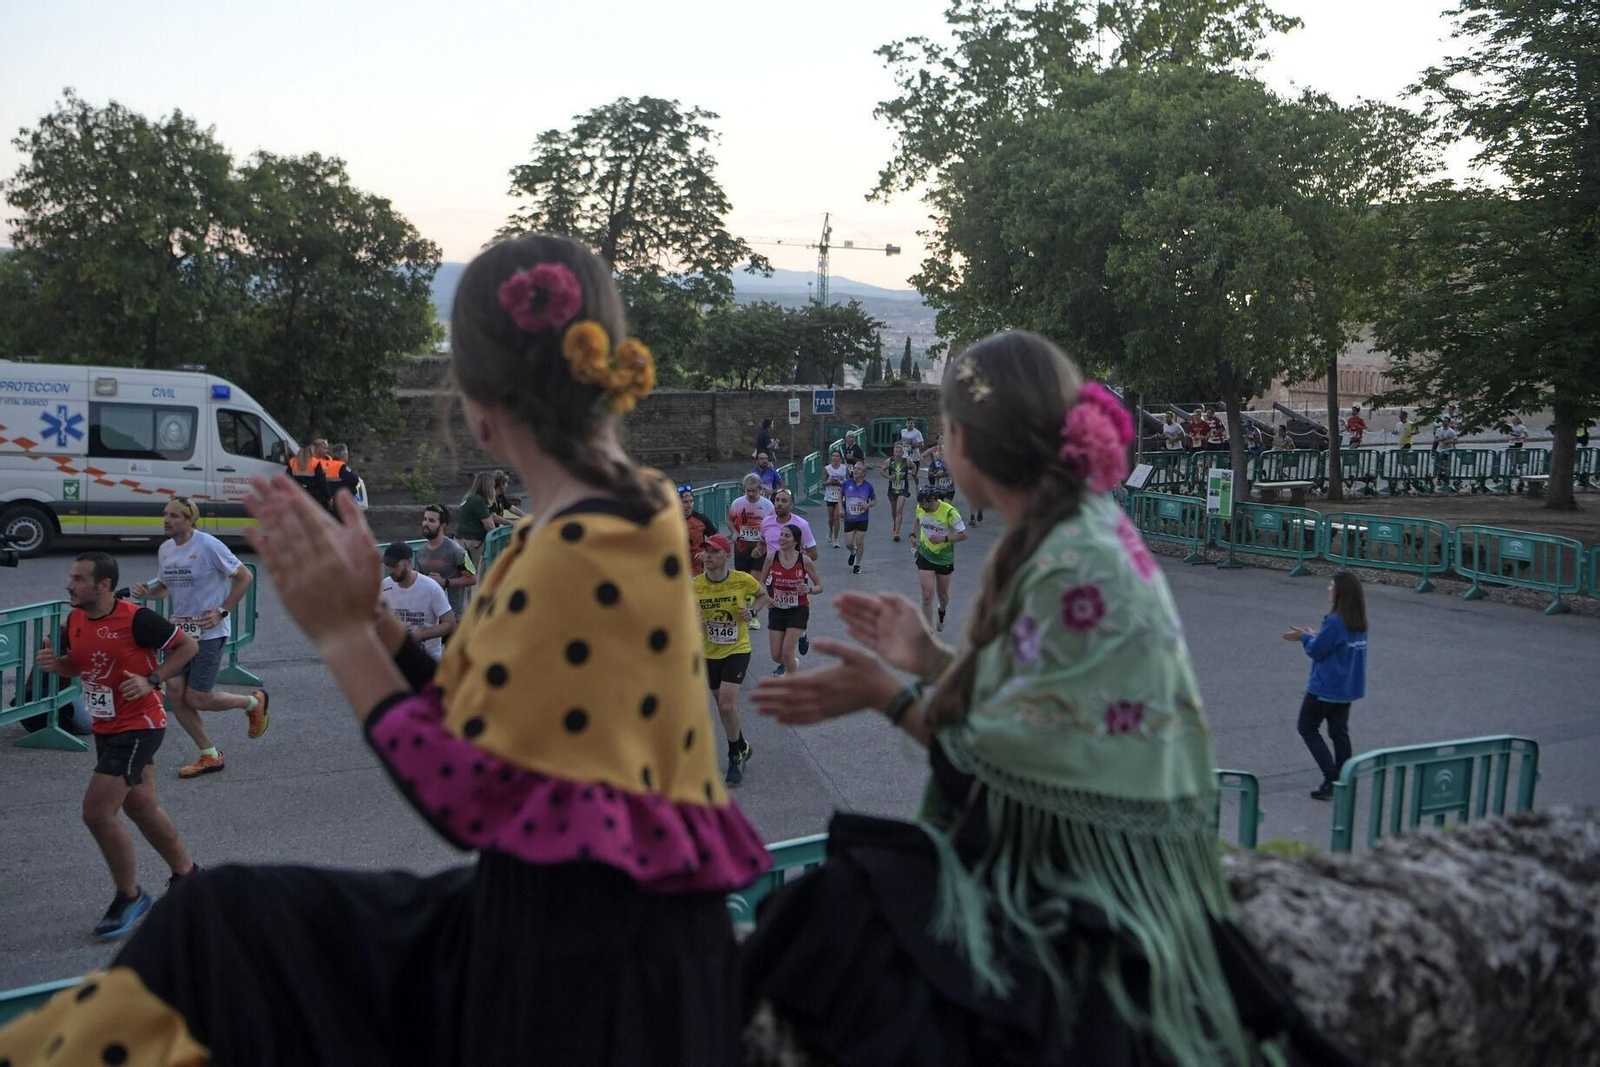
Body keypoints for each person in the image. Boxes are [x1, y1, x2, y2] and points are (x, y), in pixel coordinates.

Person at [0, 233, 772, 1066]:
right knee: (215, 920)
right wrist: (375, 616)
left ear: (476, 400)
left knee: (214, 946)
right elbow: (476, 711)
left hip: (580, 983)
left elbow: (469, 791)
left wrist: (336, 632)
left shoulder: (573, 548)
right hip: (610, 935)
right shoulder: (634, 509)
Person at [744, 331, 1349, 1067]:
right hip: (1120, 871)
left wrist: (890, 694)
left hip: (1094, 897)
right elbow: (1038, 699)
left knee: (819, 929)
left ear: (962, 440)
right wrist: (932, 659)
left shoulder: (1069, 558)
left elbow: (1012, 776)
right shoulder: (1077, 529)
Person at [37, 552, 201, 940]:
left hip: (140, 725)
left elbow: (187, 646)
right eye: (71, 577)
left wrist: (153, 680)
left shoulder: (136, 618)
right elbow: (82, 664)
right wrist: (57, 665)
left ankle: (129, 896)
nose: (69, 585)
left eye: (78, 579)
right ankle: (189, 876)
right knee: (142, 807)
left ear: (104, 585)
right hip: (108, 726)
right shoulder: (75, 618)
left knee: (97, 813)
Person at [130, 497, 269, 779]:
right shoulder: (166, 549)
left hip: (209, 632)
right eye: (165, 514)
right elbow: (165, 589)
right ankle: (210, 754)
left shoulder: (208, 545)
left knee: (199, 697)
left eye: (175, 516)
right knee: (177, 694)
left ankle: (254, 703)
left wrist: (222, 611)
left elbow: (244, 577)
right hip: (179, 634)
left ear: (190, 519)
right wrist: (148, 592)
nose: (167, 520)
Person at [1284, 572, 1368, 801]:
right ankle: (1344, 778)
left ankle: (1330, 778)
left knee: (1307, 728)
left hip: (1325, 688)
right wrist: (1315, 636)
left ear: (1340, 592)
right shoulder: (1358, 621)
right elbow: (1335, 646)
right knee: (1339, 732)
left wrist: (1304, 637)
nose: (1328, 589)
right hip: (1346, 688)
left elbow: (1316, 651)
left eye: (1331, 585)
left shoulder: (1335, 621)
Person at [695, 534, 769, 787]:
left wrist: (752, 611)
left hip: (737, 648)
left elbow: (763, 595)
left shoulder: (742, 580)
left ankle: (734, 756)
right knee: (722, 705)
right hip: (709, 652)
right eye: (705, 551)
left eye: (714, 552)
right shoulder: (695, 586)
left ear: (727, 555)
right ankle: (743, 745)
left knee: (726, 705)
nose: (708, 556)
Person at [753, 489, 819, 670]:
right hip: (774, 582)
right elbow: (762, 544)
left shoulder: (801, 525)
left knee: (794, 614)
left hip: (795, 581)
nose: (779, 504)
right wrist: (759, 550)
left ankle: (796, 643)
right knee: (778, 618)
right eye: (777, 500)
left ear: (792, 504)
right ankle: (785, 660)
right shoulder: (766, 523)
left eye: (784, 501)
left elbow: (814, 553)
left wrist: (793, 564)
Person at [758, 523, 823, 680]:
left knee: (786, 653)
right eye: (781, 535)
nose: (782, 539)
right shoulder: (771, 557)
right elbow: (760, 582)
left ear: (796, 541)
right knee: (776, 655)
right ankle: (793, 664)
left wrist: (809, 590)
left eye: (787, 536)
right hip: (777, 608)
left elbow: (820, 586)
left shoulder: (804, 560)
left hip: (798, 609)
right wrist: (767, 597)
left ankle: (793, 684)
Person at [378, 541, 455, 659]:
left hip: (427, 659)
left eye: (395, 566)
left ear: (408, 562)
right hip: (397, 658)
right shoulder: (385, 586)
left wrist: (421, 635)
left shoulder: (431, 588)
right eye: (388, 566)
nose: (391, 570)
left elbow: (449, 623)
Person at [911, 484, 967, 632]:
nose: (921, 506)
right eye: (920, 503)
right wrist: (913, 535)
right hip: (925, 555)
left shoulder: (950, 513)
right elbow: (917, 520)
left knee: (942, 596)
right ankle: (927, 632)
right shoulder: (921, 508)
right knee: (927, 595)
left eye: (923, 503)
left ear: (933, 500)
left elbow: (963, 534)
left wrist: (945, 539)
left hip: (944, 558)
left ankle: (942, 611)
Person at [415, 503, 477, 620]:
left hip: (454, 617)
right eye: (425, 519)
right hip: (430, 616)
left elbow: (473, 579)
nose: (426, 524)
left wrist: (445, 582)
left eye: (432, 521)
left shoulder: (457, 551)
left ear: (443, 525)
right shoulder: (421, 552)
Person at [456, 471, 503, 572]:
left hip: (461, 539)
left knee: (462, 572)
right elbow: (490, 525)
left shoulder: (471, 498)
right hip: (471, 542)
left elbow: (489, 517)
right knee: (470, 573)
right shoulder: (478, 501)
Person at [840, 459, 876, 574]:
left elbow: (874, 500)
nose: (855, 470)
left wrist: (867, 505)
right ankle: (852, 552)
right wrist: (841, 508)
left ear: (863, 473)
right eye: (854, 468)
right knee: (849, 543)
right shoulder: (847, 483)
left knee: (860, 541)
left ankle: (857, 564)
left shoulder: (868, 487)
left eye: (858, 469)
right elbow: (839, 496)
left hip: (862, 518)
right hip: (849, 518)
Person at [678, 483, 717, 576]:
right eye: (685, 502)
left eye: (691, 501)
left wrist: (706, 552)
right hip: (675, 571)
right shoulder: (668, 521)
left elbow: (717, 540)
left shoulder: (701, 519)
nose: (689, 505)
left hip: (696, 571)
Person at [881, 441, 915, 541]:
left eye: (900, 452)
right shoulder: (889, 461)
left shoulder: (907, 461)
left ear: (902, 452)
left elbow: (914, 467)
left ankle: (896, 532)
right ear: (894, 452)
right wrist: (888, 477)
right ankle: (895, 524)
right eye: (896, 451)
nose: (898, 453)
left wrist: (912, 475)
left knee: (899, 509)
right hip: (892, 489)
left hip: (903, 489)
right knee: (894, 509)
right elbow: (882, 471)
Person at [822, 448, 849, 547]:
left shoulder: (844, 468)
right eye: (833, 456)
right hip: (830, 496)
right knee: (831, 519)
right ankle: (830, 531)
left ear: (840, 458)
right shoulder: (827, 469)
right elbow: (823, 483)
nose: (835, 458)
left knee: (836, 517)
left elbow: (848, 482)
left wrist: (840, 483)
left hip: (840, 496)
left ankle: (836, 539)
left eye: (837, 456)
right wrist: (830, 482)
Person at [925, 432, 955, 501]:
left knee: (946, 507)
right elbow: (930, 473)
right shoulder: (936, 461)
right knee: (938, 508)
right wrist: (936, 474)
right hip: (938, 488)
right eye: (943, 450)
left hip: (949, 488)